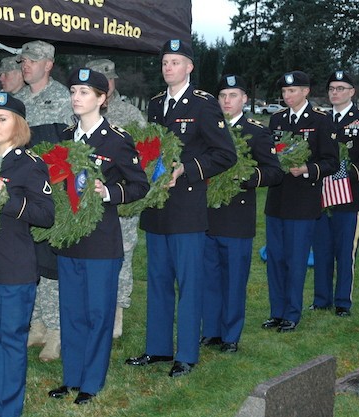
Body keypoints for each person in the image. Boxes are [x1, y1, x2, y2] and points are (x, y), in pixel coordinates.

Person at [125, 39, 236, 377]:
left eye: (175, 62)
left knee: (189, 283)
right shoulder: (157, 104)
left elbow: (225, 154)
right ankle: (158, 348)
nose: (168, 68)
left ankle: (186, 354)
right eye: (165, 63)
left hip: (187, 208)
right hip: (158, 208)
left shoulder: (203, 104)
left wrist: (186, 169)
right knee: (158, 280)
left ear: (189, 67)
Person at [48, 68, 148, 404]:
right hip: (69, 239)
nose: (76, 97)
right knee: (71, 312)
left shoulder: (117, 140)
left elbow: (139, 184)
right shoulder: (65, 137)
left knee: (98, 314)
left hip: (101, 241)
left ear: (102, 99)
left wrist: (107, 192)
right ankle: (72, 377)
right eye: (74, 91)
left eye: (84, 92)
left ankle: (92, 382)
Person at [0, 92, 54, 417]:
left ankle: (9, 409)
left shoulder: (30, 165)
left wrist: (7, 199)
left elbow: (46, 215)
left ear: (18, 125)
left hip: (13, 268)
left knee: (10, 341)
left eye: (2, 118)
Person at [201, 75, 283, 353]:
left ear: (244, 99)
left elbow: (274, 171)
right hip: (206, 216)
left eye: (233, 95)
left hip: (236, 218)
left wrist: (245, 177)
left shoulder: (256, 132)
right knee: (209, 278)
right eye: (222, 95)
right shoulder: (208, 129)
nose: (227, 101)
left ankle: (230, 335)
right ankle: (211, 331)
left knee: (234, 279)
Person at [262, 70, 339, 332]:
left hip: (303, 202)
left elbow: (331, 161)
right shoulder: (276, 120)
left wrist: (306, 168)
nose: (287, 96)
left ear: (306, 91)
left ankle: (292, 314)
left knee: (296, 260)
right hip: (277, 201)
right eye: (284, 92)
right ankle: (276, 311)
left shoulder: (320, 120)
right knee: (275, 258)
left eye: (292, 91)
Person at [15, 40, 73, 361]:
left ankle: (56, 331)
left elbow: (73, 150)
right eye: (24, 60)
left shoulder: (65, 99)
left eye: (33, 60)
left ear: (48, 64)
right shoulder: (18, 100)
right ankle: (35, 324)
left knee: (52, 262)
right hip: (26, 191)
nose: (26, 65)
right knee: (30, 260)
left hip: (56, 192)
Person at [311, 71, 359, 317]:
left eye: (341, 88)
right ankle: (321, 299)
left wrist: (349, 172)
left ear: (352, 92)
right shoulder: (320, 119)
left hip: (349, 198)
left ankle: (342, 302)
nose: (335, 92)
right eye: (332, 88)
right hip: (321, 197)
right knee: (321, 250)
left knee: (345, 251)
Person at [85, 58, 146, 339]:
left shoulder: (131, 114)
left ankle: (117, 313)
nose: (106, 84)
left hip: (122, 203)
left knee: (122, 256)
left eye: (109, 78)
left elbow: (146, 158)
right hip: (89, 205)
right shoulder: (82, 111)